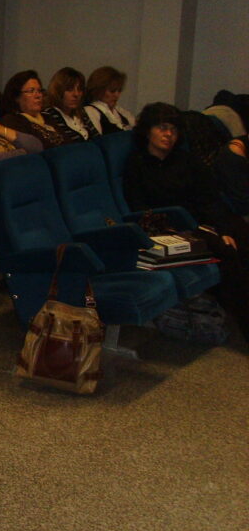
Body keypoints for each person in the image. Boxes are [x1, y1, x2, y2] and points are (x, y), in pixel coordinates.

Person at [124, 103, 249, 342]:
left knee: (242, 238)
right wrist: (214, 232)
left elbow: (210, 197)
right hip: (175, 228)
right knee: (227, 253)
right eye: (162, 128)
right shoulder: (137, 165)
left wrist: (222, 228)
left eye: (173, 129)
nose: (168, 135)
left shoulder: (186, 160)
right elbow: (141, 209)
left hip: (205, 218)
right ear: (148, 131)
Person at [0, 70, 79, 148]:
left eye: (39, 91)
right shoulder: (13, 121)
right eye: (31, 91)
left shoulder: (47, 117)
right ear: (16, 97)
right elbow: (33, 148)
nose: (38, 96)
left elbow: (69, 143)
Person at [44, 67, 97, 140]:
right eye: (70, 89)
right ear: (58, 91)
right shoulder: (50, 115)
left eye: (79, 89)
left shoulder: (81, 113)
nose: (76, 94)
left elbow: (98, 139)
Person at [84, 66, 135, 134]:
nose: (117, 95)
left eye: (119, 91)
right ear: (99, 90)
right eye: (112, 91)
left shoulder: (121, 112)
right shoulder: (91, 111)